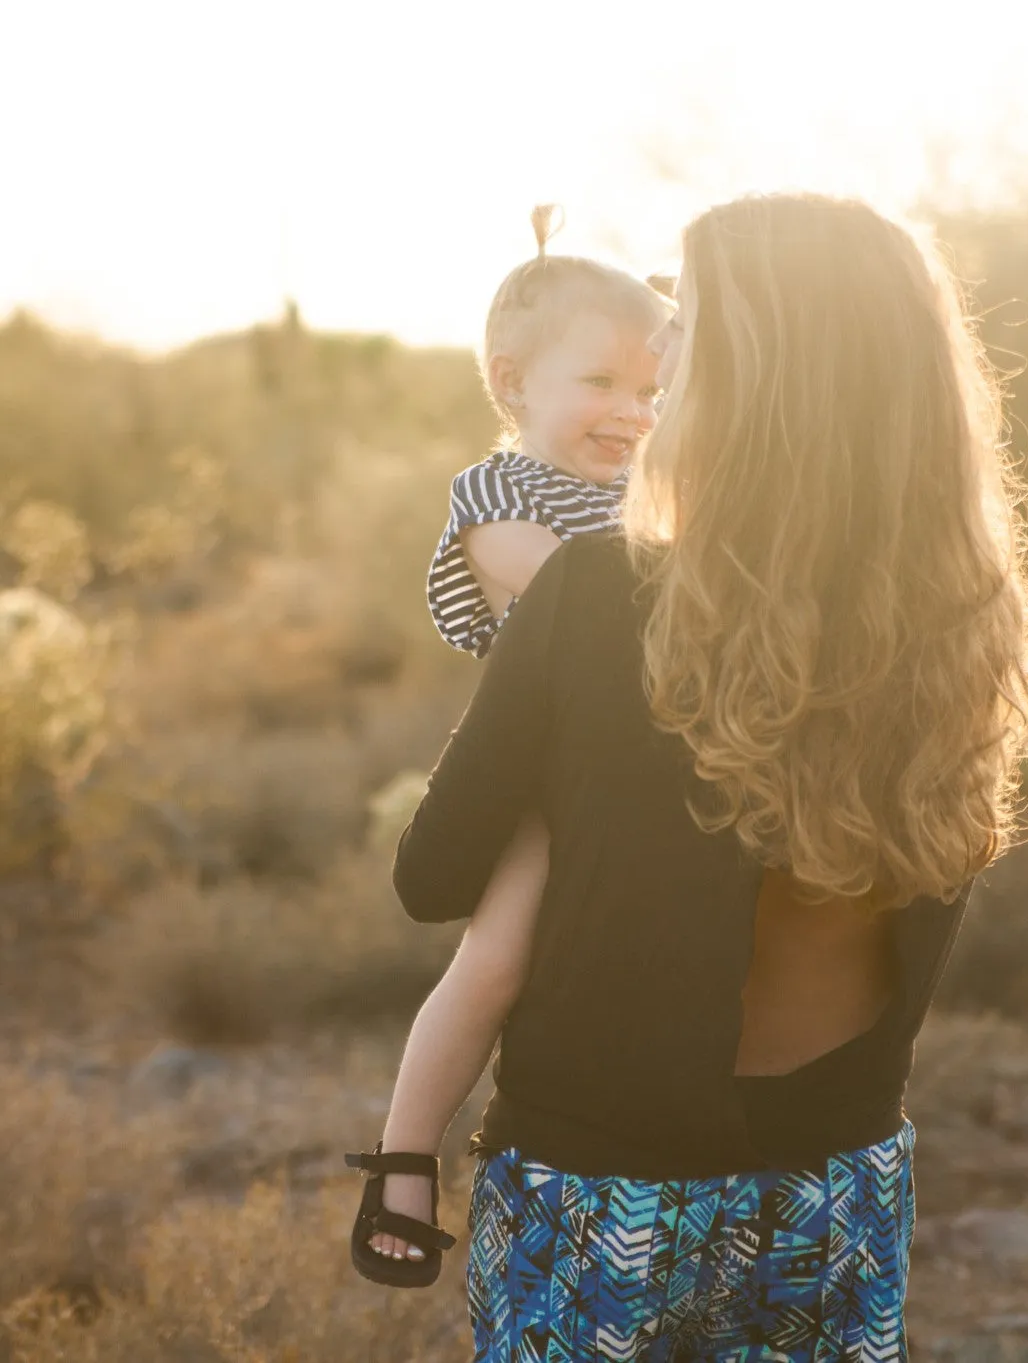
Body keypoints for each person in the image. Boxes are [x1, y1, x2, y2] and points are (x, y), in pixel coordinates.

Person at [376, 193, 1028, 1359]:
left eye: (683, 340)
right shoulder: (963, 623)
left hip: (608, 1197)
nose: (656, 377)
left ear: (752, 376)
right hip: (838, 1186)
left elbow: (433, 877)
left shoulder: (597, 594)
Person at [346, 206, 668, 1287]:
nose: (630, 412)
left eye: (652, 391)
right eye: (602, 384)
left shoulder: (651, 496)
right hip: (545, 771)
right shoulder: (499, 497)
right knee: (498, 959)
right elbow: (577, 605)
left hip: (653, 764)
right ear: (513, 381)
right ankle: (402, 1158)